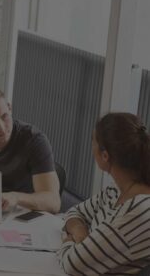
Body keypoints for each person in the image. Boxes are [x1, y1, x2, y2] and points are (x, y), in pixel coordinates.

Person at [58, 113, 150, 275]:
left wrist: (68, 240)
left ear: (105, 156)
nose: (90, 147)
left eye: (93, 142)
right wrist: (79, 230)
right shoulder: (116, 190)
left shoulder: (137, 212)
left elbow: (73, 265)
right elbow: (74, 212)